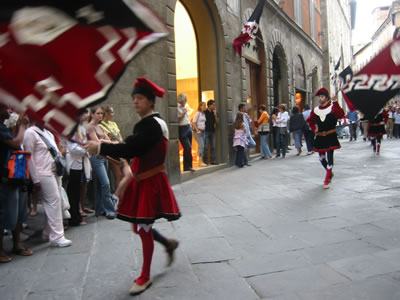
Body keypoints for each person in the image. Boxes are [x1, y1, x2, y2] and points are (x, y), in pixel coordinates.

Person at [85, 78, 180, 296]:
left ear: (150, 101)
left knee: (143, 228)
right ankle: (168, 243)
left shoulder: (153, 125)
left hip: (150, 182)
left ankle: (145, 276)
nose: (135, 102)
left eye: (139, 98)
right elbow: (132, 145)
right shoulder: (148, 124)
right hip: (142, 181)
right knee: (138, 226)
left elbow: (133, 148)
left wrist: (100, 146)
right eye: (133, 98)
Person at [23, 123, 72, 247]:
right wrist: (35, 179)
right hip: (42, 172)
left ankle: (48, 231)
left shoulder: (48, 133)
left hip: (54, 171)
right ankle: (57, 236)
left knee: (56, 201)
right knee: (53, 201)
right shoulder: (30, 133)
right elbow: (29, 157)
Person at [0, 105, 33, 263]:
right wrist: (22, 126)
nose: (9, 111)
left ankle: (17, 244)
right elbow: (16, 142)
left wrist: (16, 126)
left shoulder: (5, 127)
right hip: (6, 177)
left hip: (17, 173)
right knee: (5, 213)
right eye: (6, 109)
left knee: (19, 212)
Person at [307, 87, 344, 189]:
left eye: (322, 96)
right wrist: (314, 128)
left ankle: (327, 179)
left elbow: (340, 114)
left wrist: (335, 102)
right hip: (320, 137)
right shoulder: (315, 110)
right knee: (321, 158)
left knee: (330, 157)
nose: (320, 98)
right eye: (319, 97)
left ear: (327, 98)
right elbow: (310, 121)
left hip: (330, 135)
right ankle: (329, 172)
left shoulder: (333, 108)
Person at [86, 107, 116, 219]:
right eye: (98, 113)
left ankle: (99, 209)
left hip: (103, 157)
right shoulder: (90, 127)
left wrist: (104, 141)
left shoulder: (99, 126)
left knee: (100, 185)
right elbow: (98, 142)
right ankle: (109, 209)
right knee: (105, 183)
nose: (100, 115)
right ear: (92, 114)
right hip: (96, 157)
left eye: (102, 114)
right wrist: (104, 141)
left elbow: (109, 141)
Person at [65, 111, 92, 226]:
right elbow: (73, 148)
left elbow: (84, 143)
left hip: (80, 161)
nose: (87, 115)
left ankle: (76, 215)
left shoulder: (82, 127)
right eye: (85, 113)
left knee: (77, 190)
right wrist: (86, 150)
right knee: (73, 192)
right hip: (73, 163)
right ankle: (74, 217)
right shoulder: (72, 127)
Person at [99, 105, 124, 189]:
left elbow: (120, 137)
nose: (113, 114)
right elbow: (107, 140)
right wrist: (116, 142)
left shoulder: (114, 123)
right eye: (111, 112)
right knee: (118, 175)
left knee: (122, 175)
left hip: (119, 150)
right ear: (106, 113)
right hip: (111, 152)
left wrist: (118, 142)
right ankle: (118, 198)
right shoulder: (101, 126)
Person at [177, 94, 194, 172]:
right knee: (187, 147)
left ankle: (188, 166)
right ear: (181, 101)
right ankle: (188, 166)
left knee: (188, 148)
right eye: (184, 101)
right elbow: (177, 119)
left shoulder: (185, 107)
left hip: (188, 127)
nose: (185, 103)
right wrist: (183, 113)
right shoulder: (176, 107)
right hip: (182, 128)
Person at [203, 99, 219, 165]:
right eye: (213, 105)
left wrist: (215, 115)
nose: (214, 106)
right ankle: (205, 161)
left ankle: (213, 161)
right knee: (206, 146)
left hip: (212, 131)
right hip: (206, 131)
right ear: (209, 105)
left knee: (213, 146)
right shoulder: (204, 112)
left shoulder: (214, 112)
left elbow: (217, 122)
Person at [192, 102, 207, 167]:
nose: (205, 106)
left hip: (203, 131)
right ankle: (200, 161)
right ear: (200, 106)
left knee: (201, 146)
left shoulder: (203, 114)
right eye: (203, 105)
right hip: (198, 132)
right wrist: (198, 131)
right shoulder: (197, 113)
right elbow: (193, 122)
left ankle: (201, 160)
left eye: (205, 105)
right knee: (202, 146)